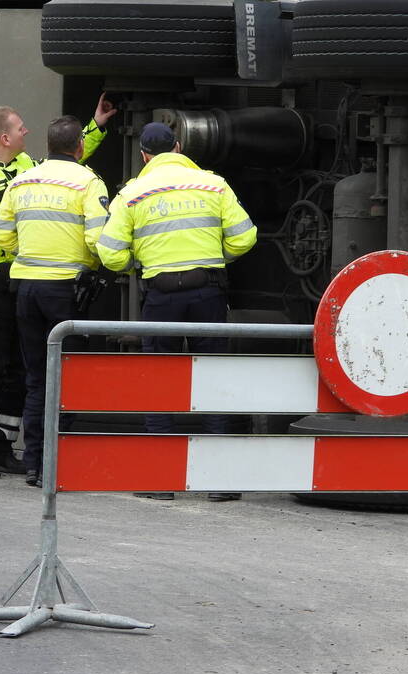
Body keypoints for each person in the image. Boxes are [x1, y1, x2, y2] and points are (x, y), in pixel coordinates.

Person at [0, 96, 116, 478]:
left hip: (19, 280)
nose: (27, 132)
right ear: (5, 137)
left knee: (20, 368)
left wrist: (95, 127)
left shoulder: (24, 168)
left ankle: (2, 444)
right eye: (21, 128)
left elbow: (66, 163)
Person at [96, 122, 257, 501]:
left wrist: (138, 263)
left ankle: (162, 480)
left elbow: (109, 252)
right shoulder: (213, 184)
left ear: (144, 155)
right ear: (180, 146)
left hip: (160, 296)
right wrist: (217, 260)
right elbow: (245, 236)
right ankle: (218, 483)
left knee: (160, 381)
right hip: (208, 292)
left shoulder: (132, 194)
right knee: (214, 379)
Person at [0, 115, 111, 487]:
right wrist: (98, 264)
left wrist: (27, 256)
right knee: (68, 378)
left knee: (35, 377)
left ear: (48, 144)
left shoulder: (23, 180)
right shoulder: (88, 182)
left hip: (26, 287)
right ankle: (55, 465)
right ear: (78, 147)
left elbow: (0, 235)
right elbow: (98, 238)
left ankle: (33, 462)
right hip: (65, 290)